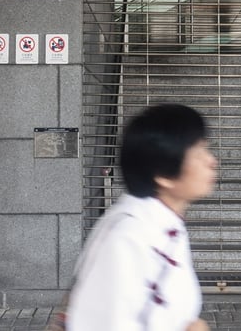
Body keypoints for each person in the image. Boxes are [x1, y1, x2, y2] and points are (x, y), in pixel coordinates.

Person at [65, 103, 218, 331]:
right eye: (198, 153)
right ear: (164, 175)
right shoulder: (130, 237)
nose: (211, 161)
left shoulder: (161, 223)